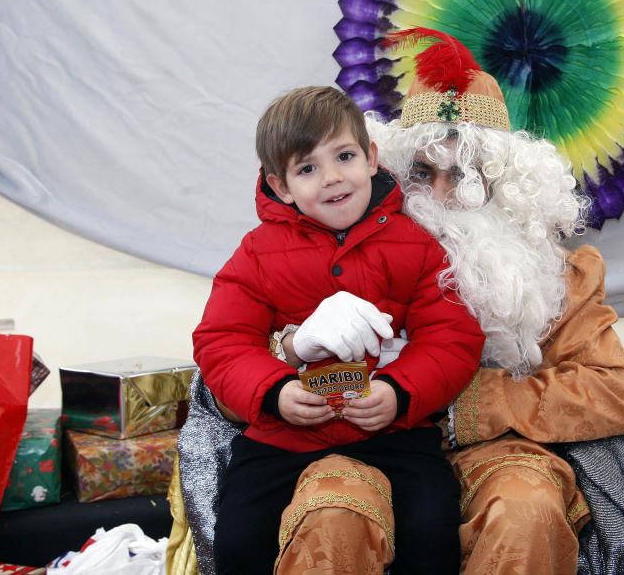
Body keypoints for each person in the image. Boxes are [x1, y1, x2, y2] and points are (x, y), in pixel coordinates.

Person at [168, 35, 624, 575]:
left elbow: (618, 393)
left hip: (489, 451)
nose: (443, 193)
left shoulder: (560, 275)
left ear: (506, 182)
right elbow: (225, 357)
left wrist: (462, 407)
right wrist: (289, 352)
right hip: (352, 441)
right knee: (332, 515)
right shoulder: (351, 243)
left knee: (524, 512)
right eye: (424, 173)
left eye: (466, 174)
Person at [193, 85, 484, 574]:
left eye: (344, 156)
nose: (331, 178)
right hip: (281, 438)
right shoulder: (257, 252)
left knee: (433, 530)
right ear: (280, 186)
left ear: (371, 157)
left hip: (394, 432)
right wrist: (275, 391)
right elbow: (221, 342)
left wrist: (399, 391)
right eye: (307, 168)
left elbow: (451, 338)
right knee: (240, 539)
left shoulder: (415, 245)